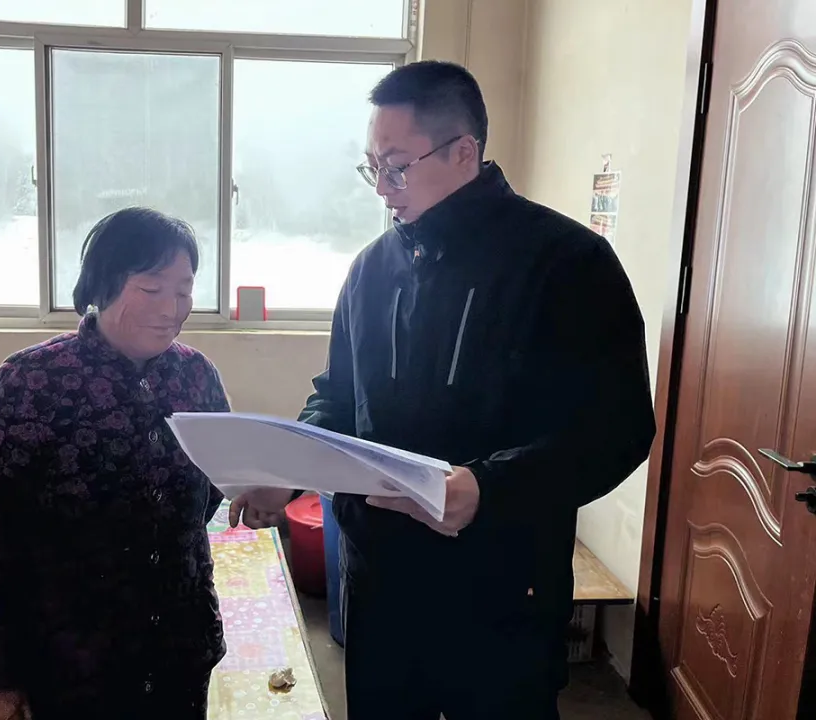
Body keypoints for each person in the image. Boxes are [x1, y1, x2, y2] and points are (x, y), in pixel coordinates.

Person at [230, 61, 656, 719]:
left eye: (397, 167)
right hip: (380, 588)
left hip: (504, 590)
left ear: (464, 152)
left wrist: (488, 487)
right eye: (372, 167)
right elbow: (338, 397)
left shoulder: (566, 264)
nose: (382, 189)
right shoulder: (372, 271)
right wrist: (287, 470)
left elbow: (618, 428)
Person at [0, 208, 230, 720]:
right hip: (67, 660)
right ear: (103, 283)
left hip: (179, 647)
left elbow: (211, 490)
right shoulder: (27, 384)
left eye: (184, 290)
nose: (171, 308)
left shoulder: (196, 377)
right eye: (151, 288)